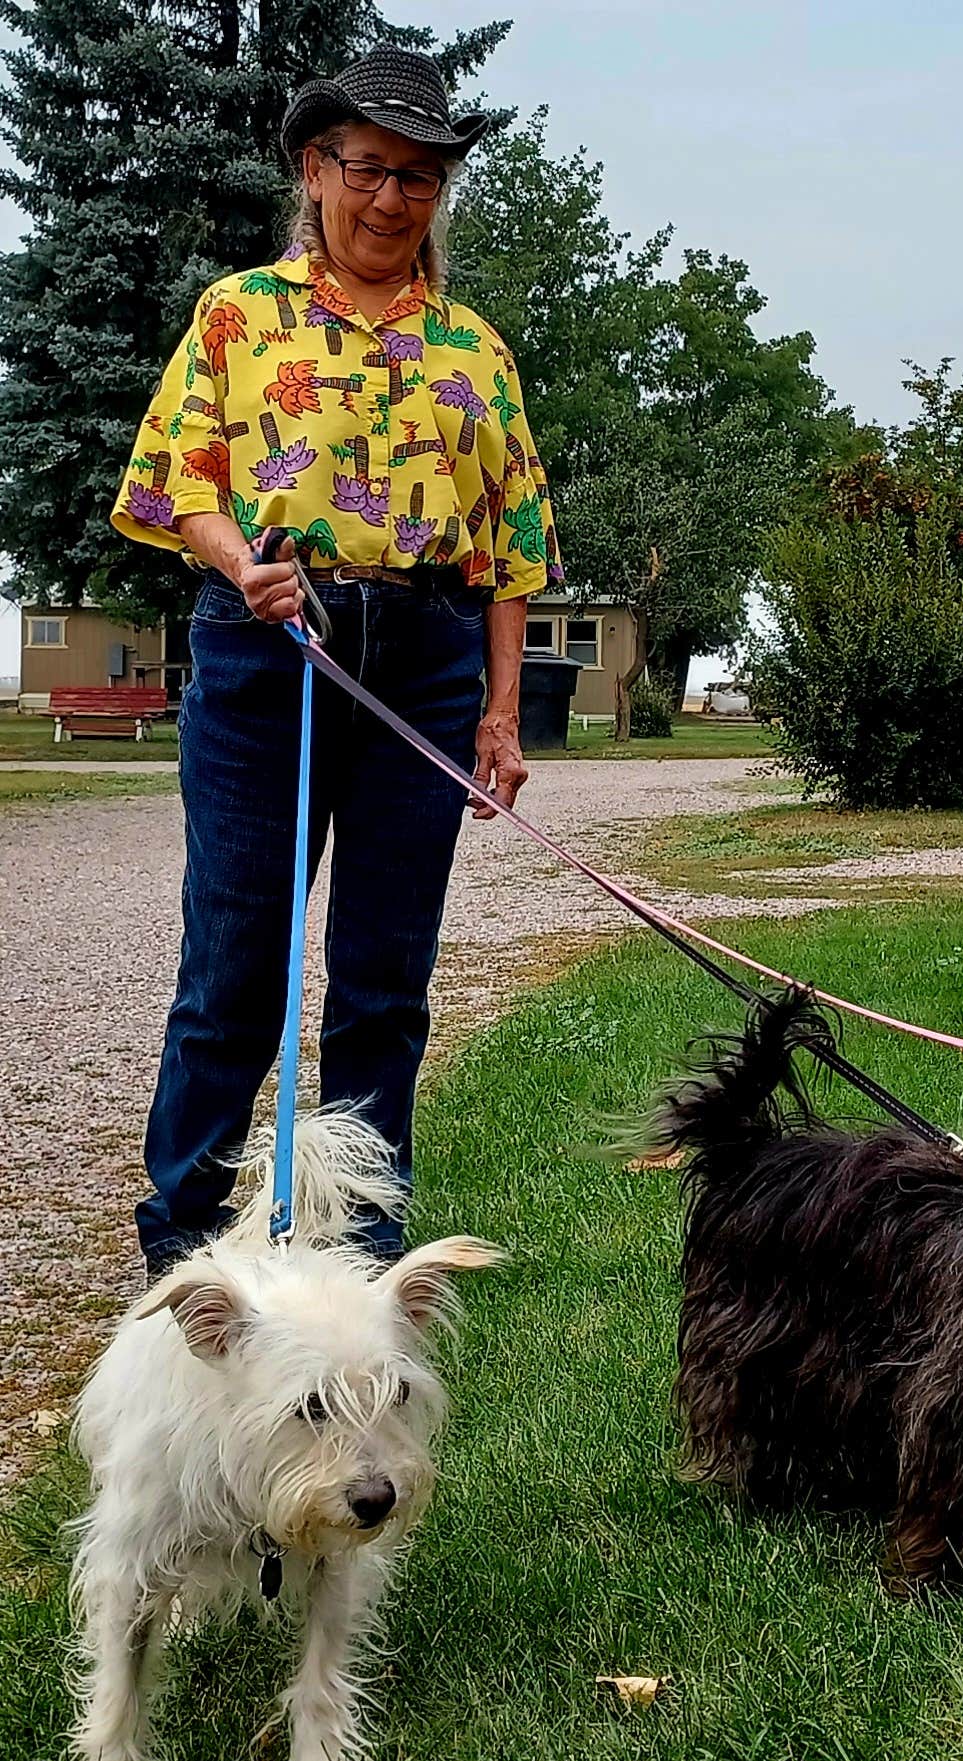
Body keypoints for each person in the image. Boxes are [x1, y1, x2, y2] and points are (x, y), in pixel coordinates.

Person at [112, 46, 562, 1278]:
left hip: (423, 664)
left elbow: (511, 555)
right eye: (368, 169)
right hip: (269, 652)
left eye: (419, 178)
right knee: (234, 976)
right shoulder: (240, 315)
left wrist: (502, 720)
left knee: (381, 988)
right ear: (315, 170)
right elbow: (175, 483)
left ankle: (358, 1266)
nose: (389, 201)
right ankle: (184, 1269)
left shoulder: (476, 351)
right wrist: (235, 562)